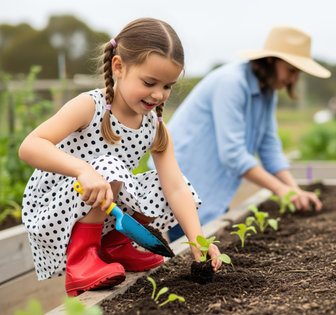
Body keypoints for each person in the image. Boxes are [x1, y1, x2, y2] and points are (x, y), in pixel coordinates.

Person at [18, 17, 223, 297]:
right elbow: (30, 146)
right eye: (149, 82)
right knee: (110, 166)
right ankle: (81, 259)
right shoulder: (90, 106)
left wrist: (198, 242)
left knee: (174, 185)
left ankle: (116, 245)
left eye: (167, 86)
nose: (157, 94)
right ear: (119, 67)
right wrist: (82, 170)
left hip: (102, 205)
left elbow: (174, 187)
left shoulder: (155, 128)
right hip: (55, 208)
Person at [152, 25, 331, 241]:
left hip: (213, 187)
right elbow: (233, 154)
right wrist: (279, 189)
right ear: (271, 60)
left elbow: (269, 146)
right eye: (291, 71)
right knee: (193, 254)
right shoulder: (232, 83)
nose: (294, 80)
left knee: (208, 247)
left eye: (297, 73)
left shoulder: (267, 92)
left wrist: (294, 190)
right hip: (182, 182)